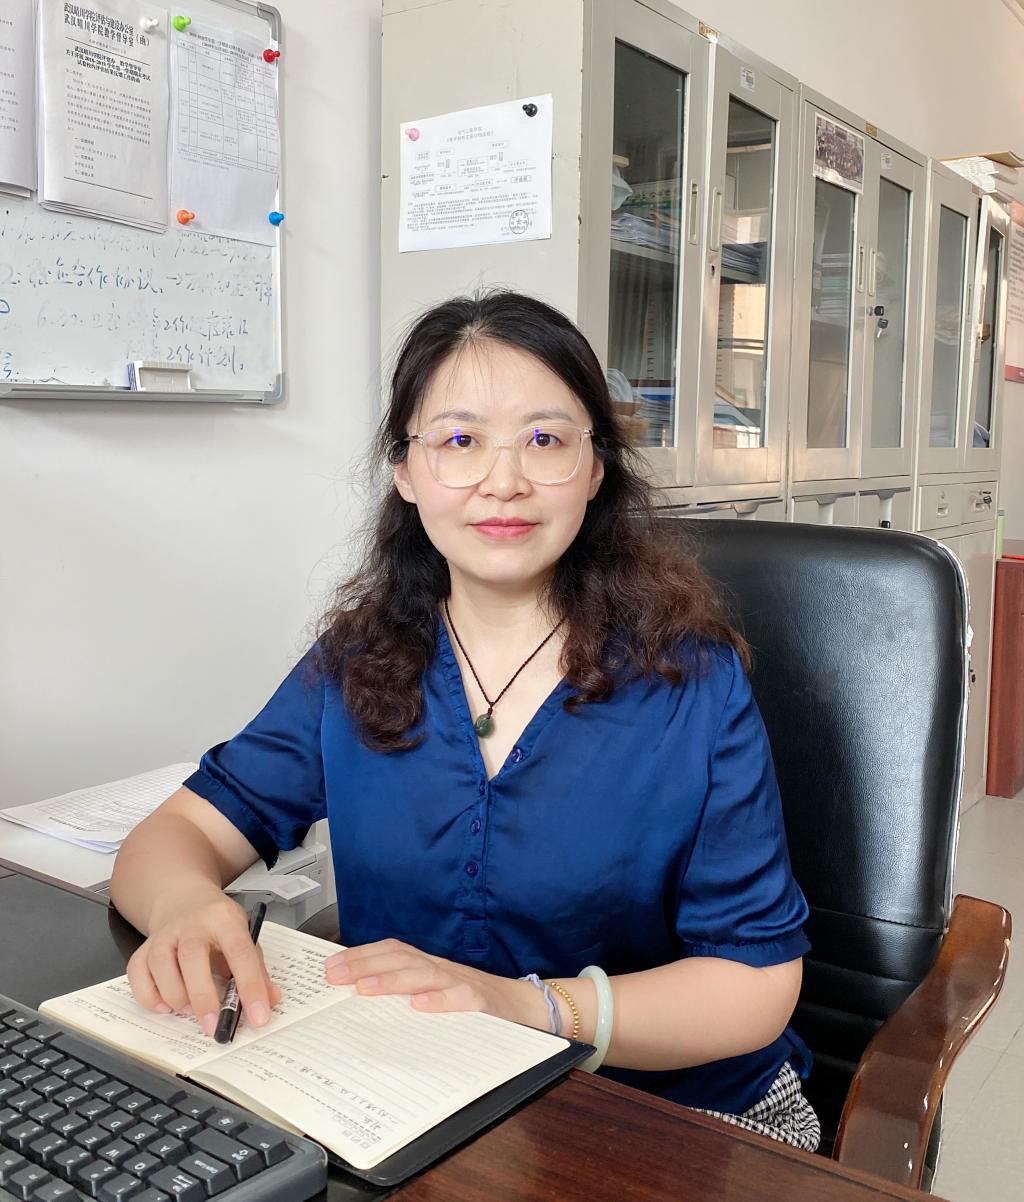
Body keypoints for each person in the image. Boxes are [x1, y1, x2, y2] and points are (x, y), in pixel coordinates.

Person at [110, 290, 819, 1150]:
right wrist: (185, 904)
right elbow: (180, 832)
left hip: (662, 1114)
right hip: (418, 1101)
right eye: (459, 441)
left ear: (596, 469)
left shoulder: (689, 680)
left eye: (545, 440)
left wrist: (525, 1006)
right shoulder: (360, 660)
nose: (503, 480)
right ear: (407, 473)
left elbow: (754, 985)